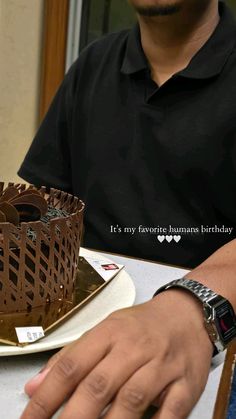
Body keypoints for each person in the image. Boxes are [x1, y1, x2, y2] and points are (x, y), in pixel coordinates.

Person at [20, 0, 236, 418]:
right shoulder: (92, 64)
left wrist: (193, 306)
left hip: (215, 334)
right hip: (78, 319)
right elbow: (43, 204)